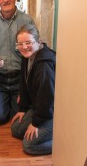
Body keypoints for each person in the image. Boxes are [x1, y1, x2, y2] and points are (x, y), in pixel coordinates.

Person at [11, 24, 55, 155]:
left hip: (52, 112)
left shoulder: (44, 66)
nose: (24, 47)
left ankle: (62, 142)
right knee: (16, 129)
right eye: (20, 44)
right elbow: (24, 84)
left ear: (38, 41)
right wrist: (23, 108)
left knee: (29, 145)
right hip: (39, 107)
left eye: (28, 42)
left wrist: (35, 123)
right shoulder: (28, 56)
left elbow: (47, 98)